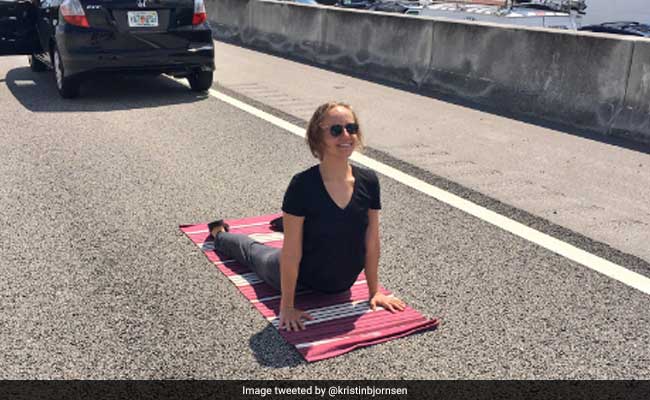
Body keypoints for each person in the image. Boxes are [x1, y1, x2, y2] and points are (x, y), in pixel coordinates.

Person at [209, 101, 405, 332]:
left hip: (341, 283)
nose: (346, 135)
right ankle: (219, 233)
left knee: (327, 223)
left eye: (351, 128)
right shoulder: (302, 185)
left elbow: (372, 242)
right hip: (302, 276)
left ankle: (291, 222)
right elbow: (291, 252)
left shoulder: (369, 181)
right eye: (336, 130)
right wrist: (288, 306)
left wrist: (374, 292)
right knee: (253, 253)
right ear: (318, 136)